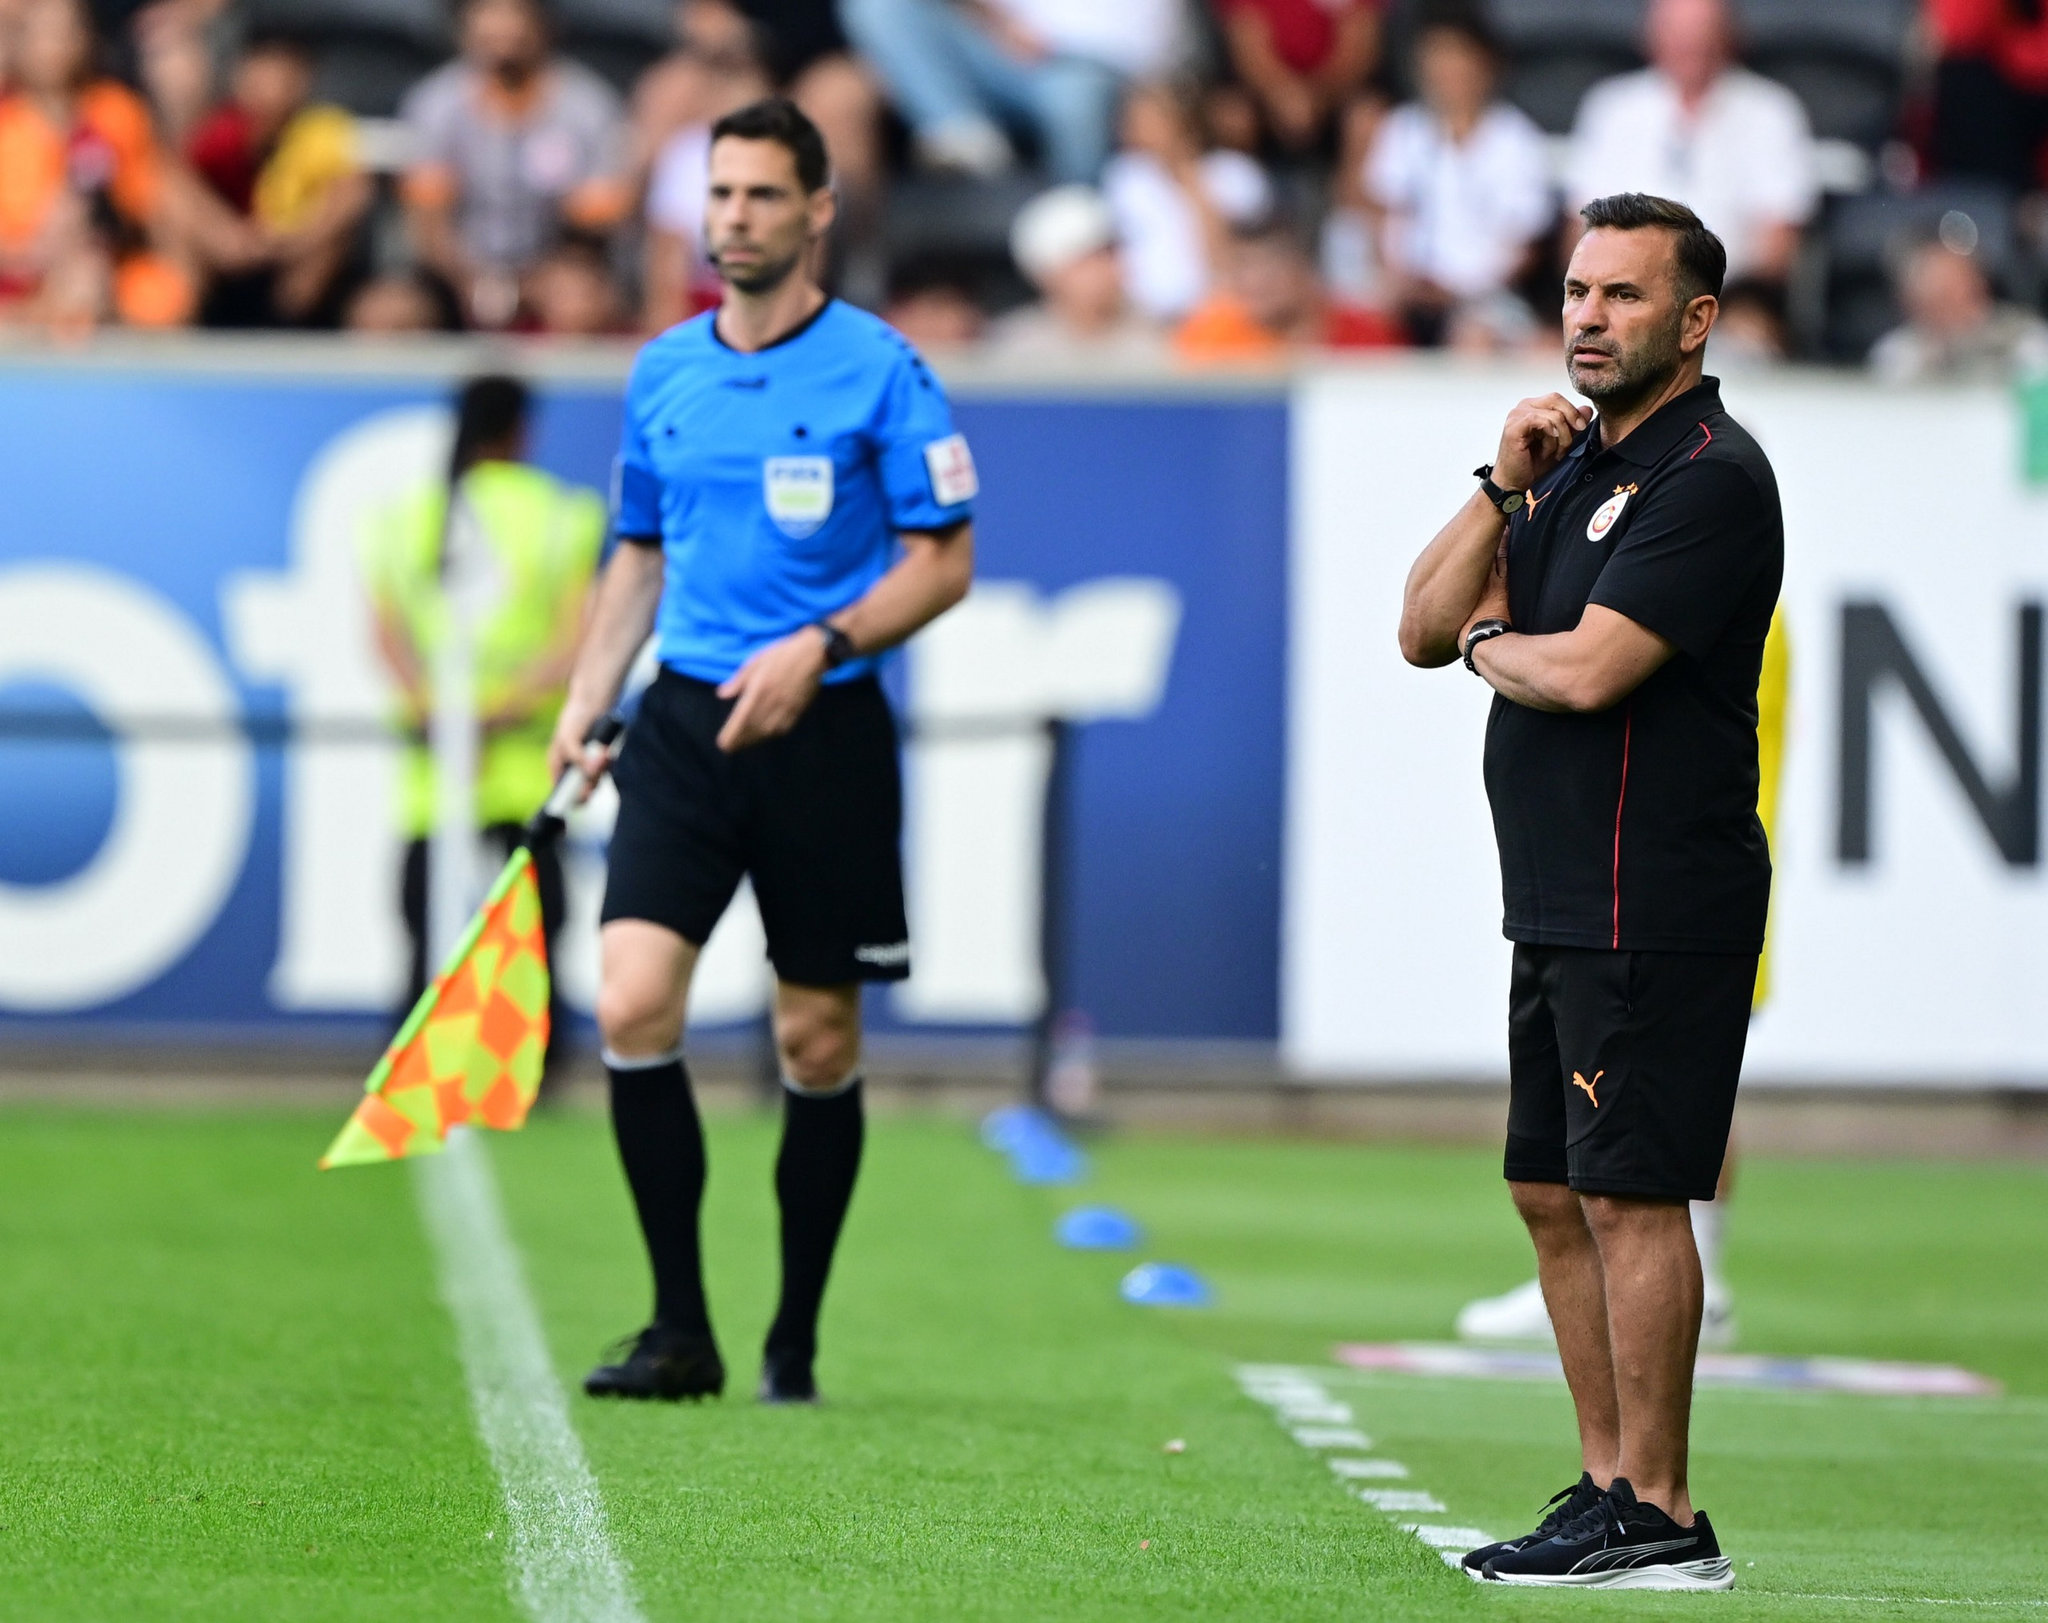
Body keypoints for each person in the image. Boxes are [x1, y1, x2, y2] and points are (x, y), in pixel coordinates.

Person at [547, 98, 977, 1404]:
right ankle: (681, 1324)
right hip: (683, 718)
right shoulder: (664, 368)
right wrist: (585, 697)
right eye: (719, 193)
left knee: (817, 1039)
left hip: (824, 729)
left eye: (760, 196)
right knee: (628, 1001)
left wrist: (823, 643)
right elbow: (638, 547)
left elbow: (945, 561)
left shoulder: (884, 368)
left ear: (817, 211)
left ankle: (793, 1333)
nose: (733, 217)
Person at [1397, 193, 1780, 1589]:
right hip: (1558, 891)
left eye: (1622, 296)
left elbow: (1584, 668)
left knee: (1632, 1193)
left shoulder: (1710, 474)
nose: (1586, 317)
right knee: (1551, 1187)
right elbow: (1415, 627)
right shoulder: (1564, 464)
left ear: (1693, 320)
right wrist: (1497, 486)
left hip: (1654, 887)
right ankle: (1608, 1481)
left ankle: (1666, 1507)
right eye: (1575, 291)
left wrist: (1498, 634)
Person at [1457, 600, 1791, 1349]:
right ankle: (1648, 1268)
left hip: (1674, 877)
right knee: (1634, 1085)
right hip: (1635, 874)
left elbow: (1591, 678)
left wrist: (1487, 644)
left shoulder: (1707, 577)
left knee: (1668, 1078)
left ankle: (1691, 1270)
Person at [359, 375, 605, 1083]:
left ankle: (412, 1059)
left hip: (435, 759)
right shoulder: (561, 515)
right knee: (533, 923)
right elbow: (575, 638)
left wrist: (440, 712)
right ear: (522, 431)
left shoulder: (404, 515)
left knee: (423, 918)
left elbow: (385, 633)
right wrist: (502, 709)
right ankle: (532, 1067)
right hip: (525, 754)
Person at [400, 0, 630, 328]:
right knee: (388, 312)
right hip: (452, 277)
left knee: (576, 303)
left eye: (515, 12)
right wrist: (475, 284)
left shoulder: (588, 107)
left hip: (556, 272)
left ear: (543, 24)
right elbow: (428, 223)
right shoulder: (436, 103)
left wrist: (529, 287)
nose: (504, 26)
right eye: (489, 12)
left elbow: (592, 229)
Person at [1565, 0, 1816, 287]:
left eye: (1703, 31)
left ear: (1729, 36)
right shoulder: (1612, 108)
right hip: (1623, 294)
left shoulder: (1772, 111)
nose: (1691, 44)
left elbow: (1778, 244)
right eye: (1677, 31)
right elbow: (1579, 229)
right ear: (1649, 36)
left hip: (1730, 298)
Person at [1364, 8, 1550, 347]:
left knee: (1474, 338)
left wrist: (1459, 289)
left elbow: (1523, 248)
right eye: (1436, 57)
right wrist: (1404, 281)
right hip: (1407, 294)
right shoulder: (1401, 130)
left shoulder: (1516, 140)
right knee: (1363, 330)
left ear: (1485, 65)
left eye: (1457, 56)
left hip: (1484, 298)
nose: (1447, 71)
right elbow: (1385, 218)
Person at [838, 0, 1182, 181]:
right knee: (878, 4)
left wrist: (1055, 43)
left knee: (1072, 97)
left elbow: (1147, 46)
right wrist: (994, 20)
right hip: (1003, 56)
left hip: (1091, 68)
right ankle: (962, 136)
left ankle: (1077, 213)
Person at [187, 31, 371, 326]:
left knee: (334, 243)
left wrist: (289, 241)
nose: (268, 90)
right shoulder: (218, 130)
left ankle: (290, 329)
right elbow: (181, 187)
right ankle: (185, 330)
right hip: (229, 260)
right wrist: (227, 237)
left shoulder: (321, 129)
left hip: (295, 259)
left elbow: (353, 196)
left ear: (302, 81)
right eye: (257, 75)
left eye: (282, 77)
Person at [1102, 80, 1271, 325]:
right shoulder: (1126, 177)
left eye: (1149, 119)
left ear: (1182, 121)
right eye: (1133, 120)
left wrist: (1187, 175)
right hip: (1142, 318)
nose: (1134, 129)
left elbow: (1232, 254)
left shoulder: (1234, 173)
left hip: (1217, 312)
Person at [1174, 216, 1404, 361]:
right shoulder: (1211, 337)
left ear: (1306, 268)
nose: (1256, 283)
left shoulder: (1366, 337)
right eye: (1243, 268)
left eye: (1270, 268)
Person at [988, 182, 1163, 361]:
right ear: (1047, 274)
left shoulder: (1159, 339)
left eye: (1111, 253)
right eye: (1090, 259)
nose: (1110, 268)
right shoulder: (1014, 347)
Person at [1210, 0, 1380, 155]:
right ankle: (1243, 185)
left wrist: (1318, 97)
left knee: (1367, 119)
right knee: (1231, 119)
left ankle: (1345, 188)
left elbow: (1358, 45)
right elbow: (1247, 44)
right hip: (1262, 95)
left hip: (1337, 94)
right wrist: (1284, 93)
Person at [1868, 238, 2048, 382]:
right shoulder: (1897, 351)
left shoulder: (2025, 338)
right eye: (1933, 300)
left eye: (1951, 293)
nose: (1944, 309)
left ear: (1978, 286)